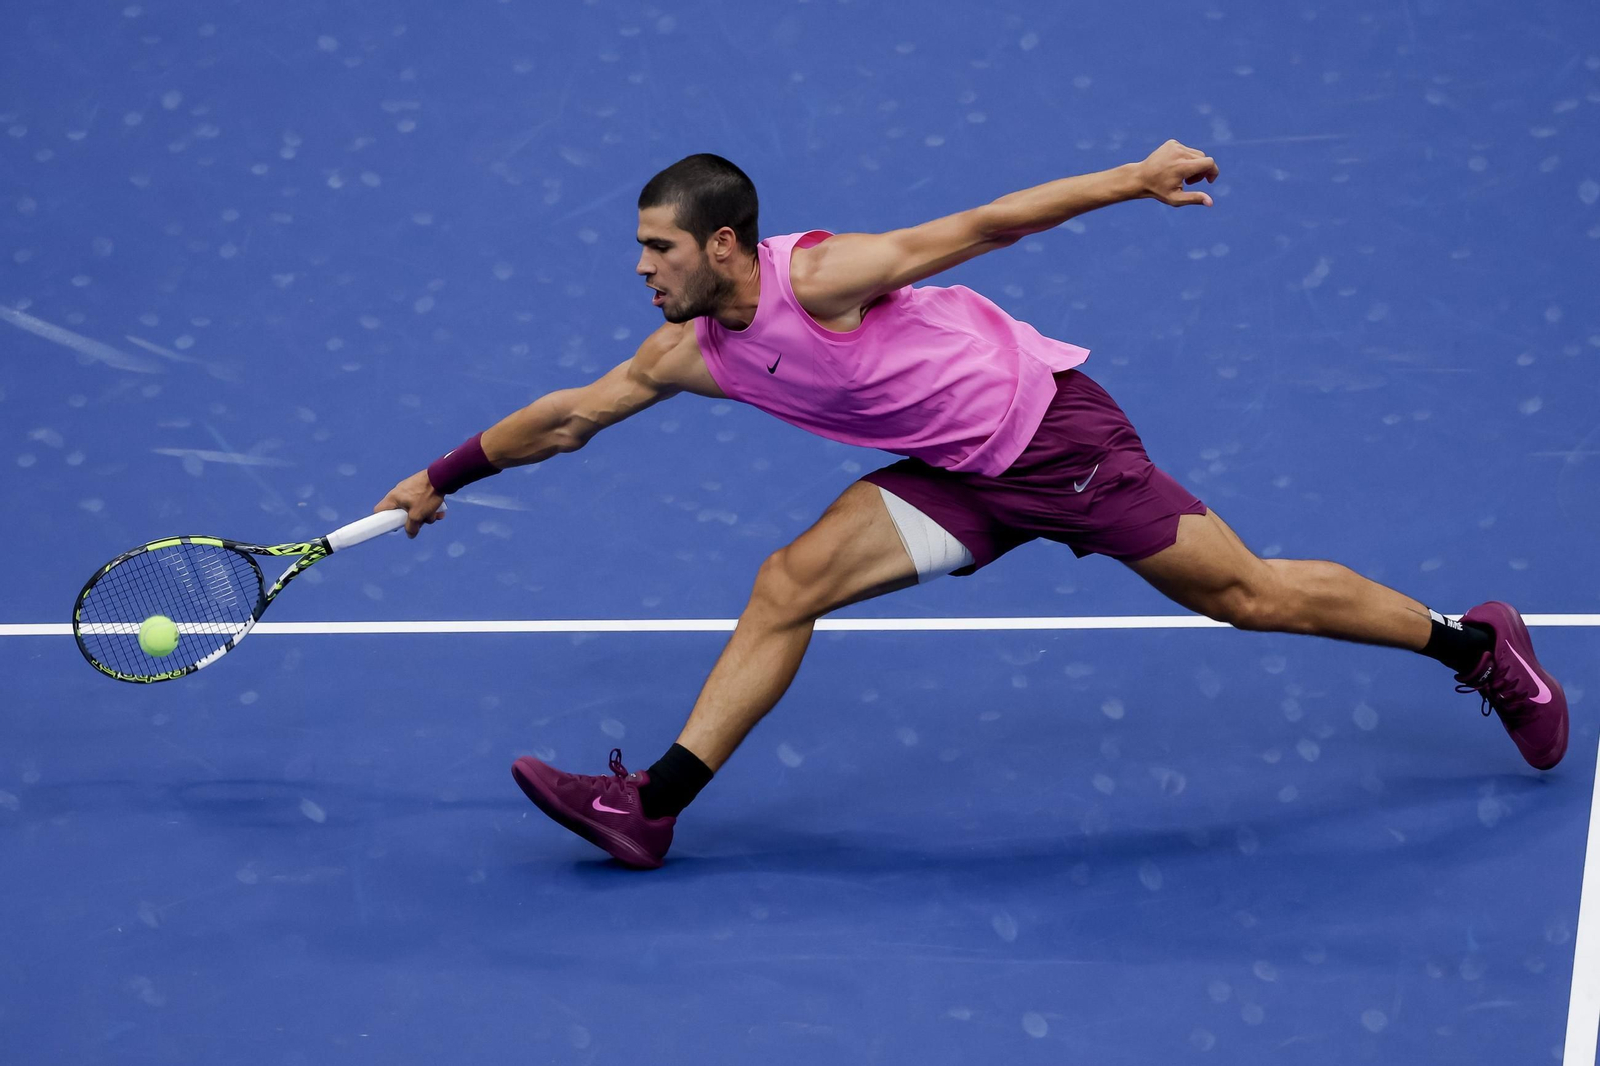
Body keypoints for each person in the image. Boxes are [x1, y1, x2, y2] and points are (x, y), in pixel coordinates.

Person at [373, 140, 1568, 870]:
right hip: (953, 475)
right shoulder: (691, 347)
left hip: (1050, 437)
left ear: (724, 244)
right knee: (786, 583)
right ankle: (649, 808)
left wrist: (1134, 178)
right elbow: (572, 412)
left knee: (1247, 596)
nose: (641, 269)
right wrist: (442, 477)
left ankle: (1477, 645)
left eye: (656, 248)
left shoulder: (824, 278)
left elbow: (985, 223)